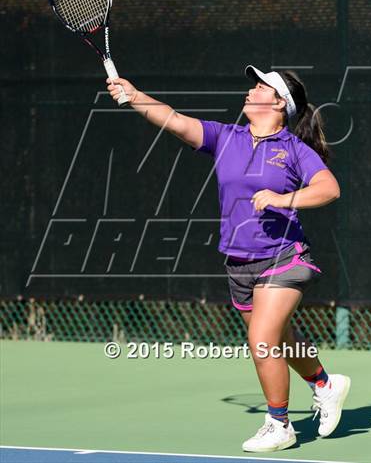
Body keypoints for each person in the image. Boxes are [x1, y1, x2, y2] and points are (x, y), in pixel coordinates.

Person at [107, 66, 351, 452]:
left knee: (262, 340)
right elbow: (174, 121)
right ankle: (325, 383)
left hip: (285, 256)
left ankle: (279, 424)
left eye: (261, 86)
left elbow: (329, 188)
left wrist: (282, 198)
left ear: (277, 102)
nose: (251, 89)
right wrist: (134, 95)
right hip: (239, 262)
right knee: (281, 339)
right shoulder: (227, 137)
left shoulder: (293, 149)